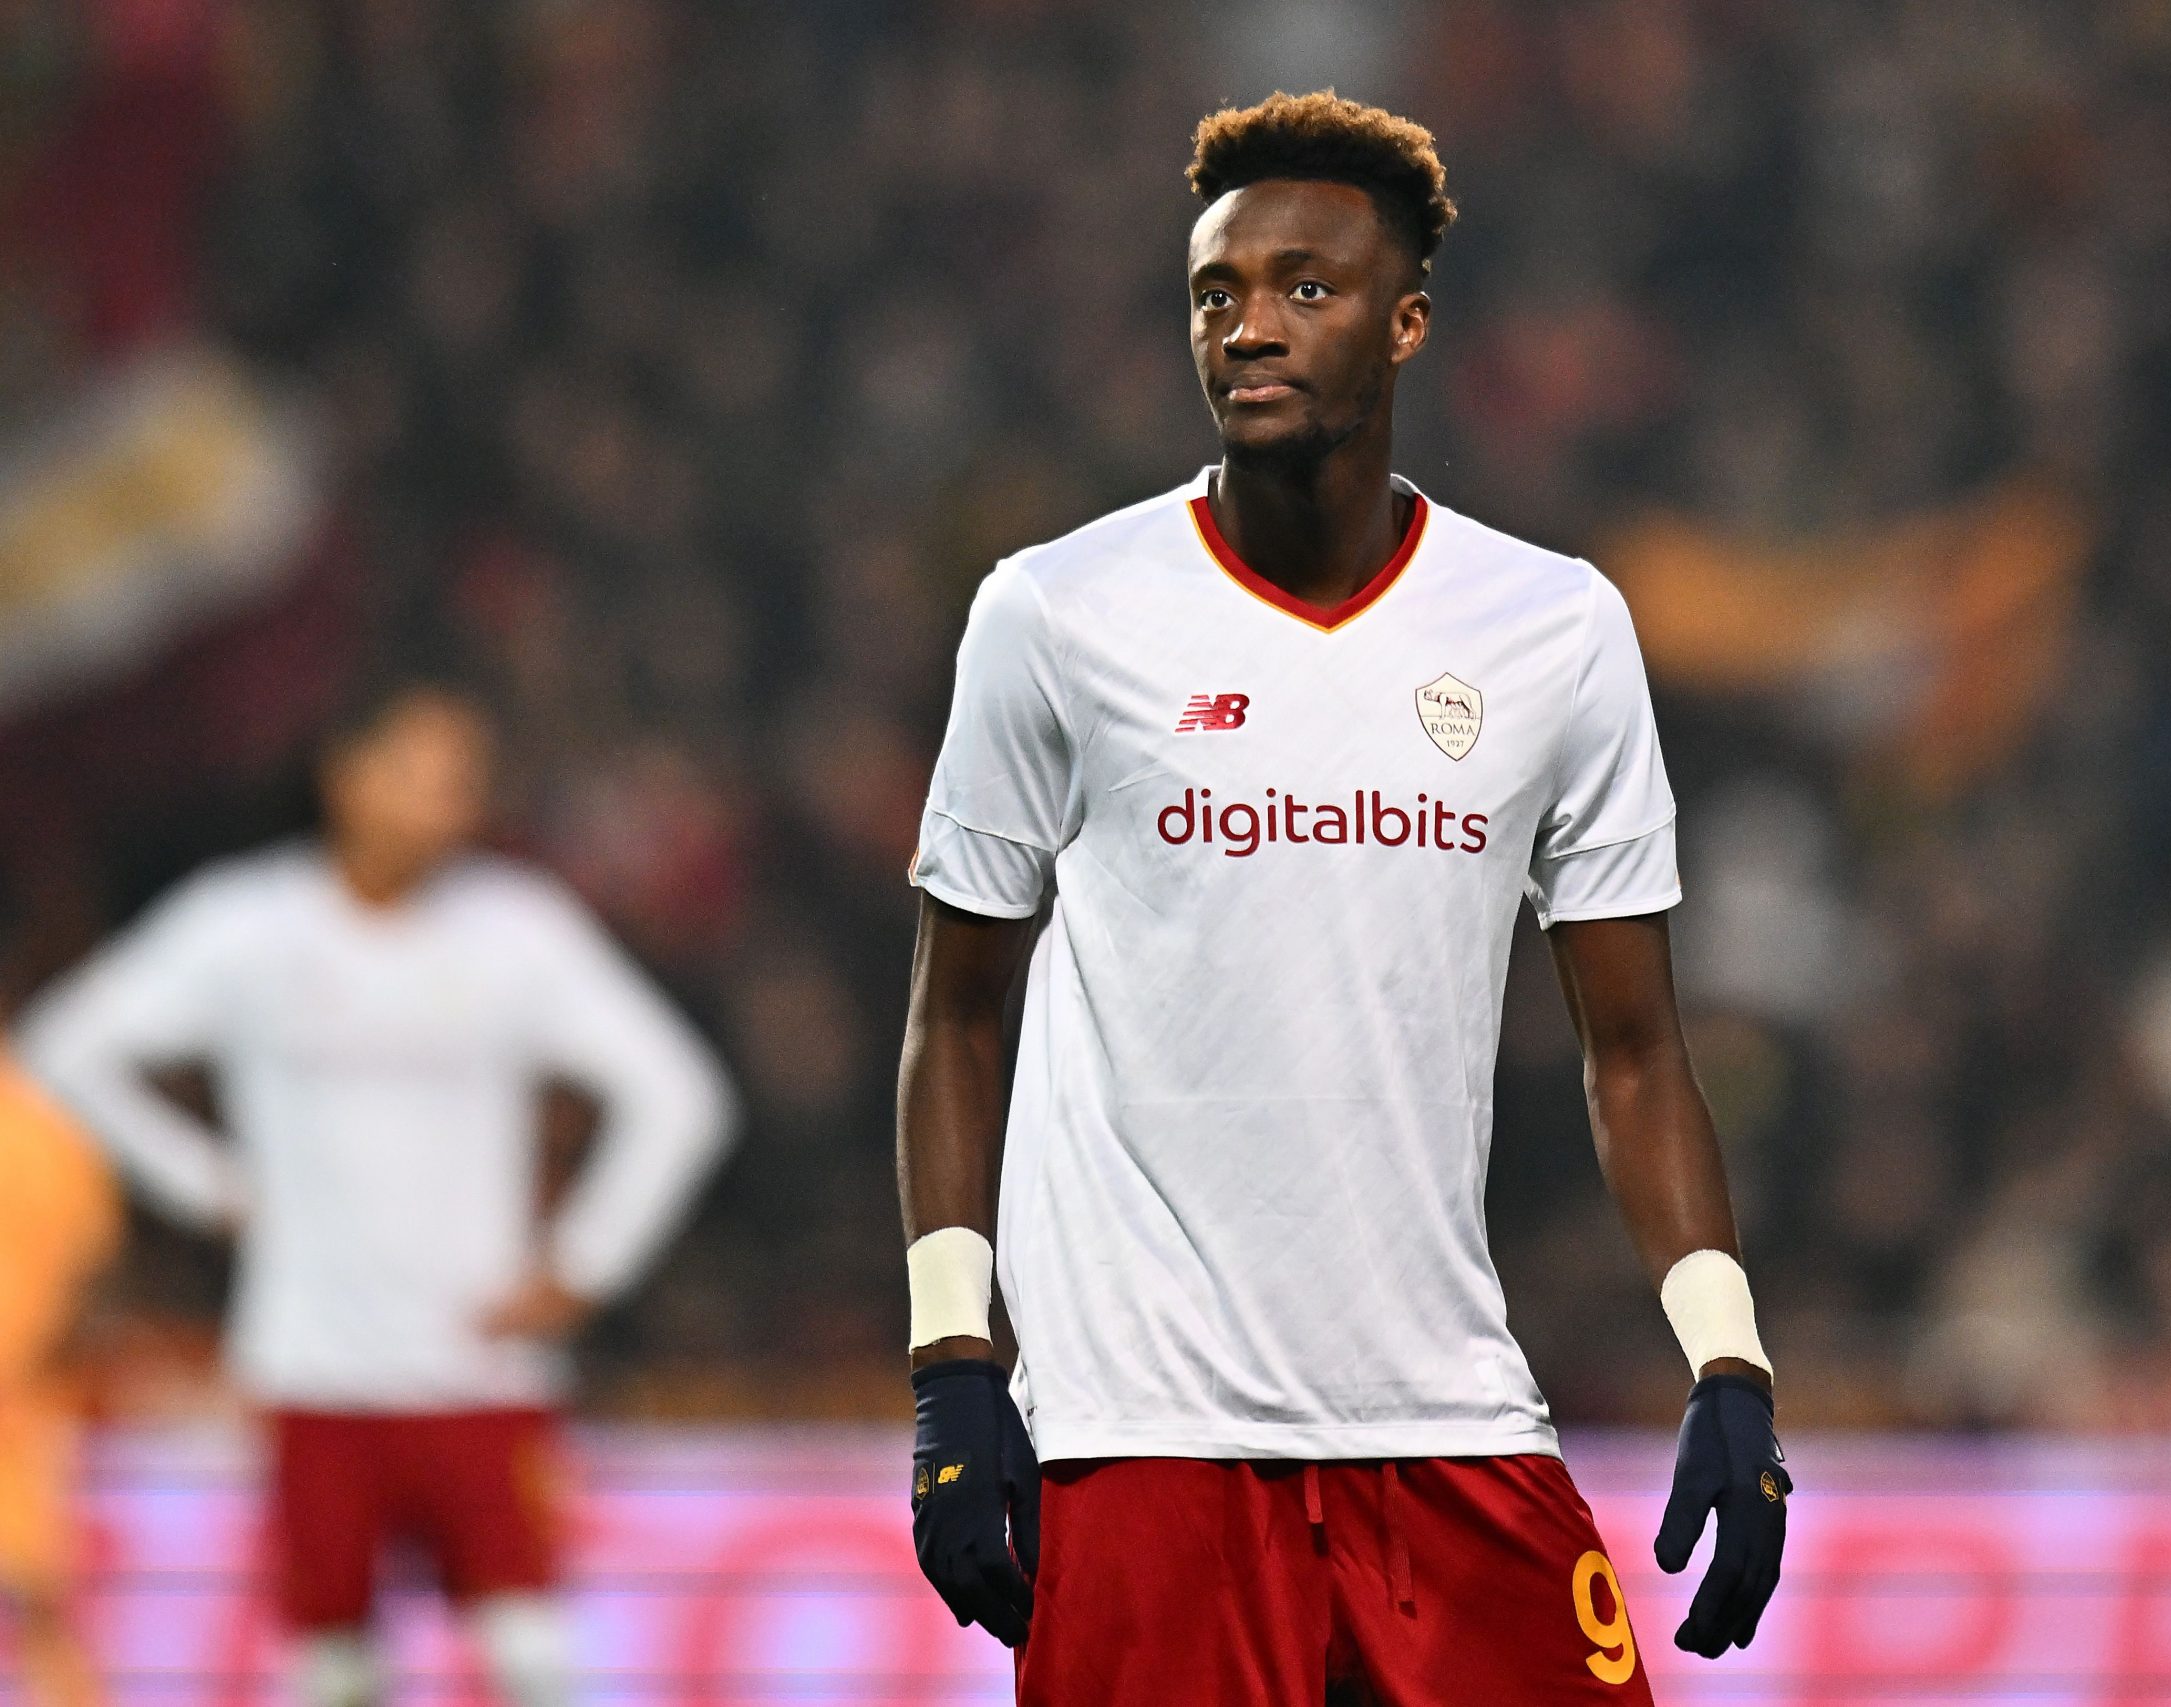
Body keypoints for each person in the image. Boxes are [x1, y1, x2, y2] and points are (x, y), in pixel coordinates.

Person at [899, 92, 1788, 1704]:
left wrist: (1728, 1359)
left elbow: (1640, 1052)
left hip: (1445, 1427)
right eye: (1217, 292)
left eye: (1306, 288)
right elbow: (957, 1011)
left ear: (1408, 321)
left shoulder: (1552, 630)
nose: (1251, 325)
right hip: (1144, 1442)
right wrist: (956, 1367)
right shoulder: (1056, 615)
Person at [19, 679, 736, 1707]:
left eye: (463, 781)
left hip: (480, 1367)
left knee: (533, 1660)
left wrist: (587, 1263)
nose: (445, 803)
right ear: (345, 776)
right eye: (420, 773)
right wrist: (204, 1182)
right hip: (314, 1365)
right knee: (332, 1670)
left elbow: (679, 1096)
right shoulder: (249, 929)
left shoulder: (514, 935)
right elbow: (64, 1051)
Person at [0, 1052, 118, 1707]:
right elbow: (96, 1281)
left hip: (21, 1412)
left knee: (42, 1604)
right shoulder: (55, 1133)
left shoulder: (45, 1134)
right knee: (42, 1607)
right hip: (27, 1403)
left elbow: (92, 1283)